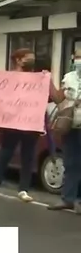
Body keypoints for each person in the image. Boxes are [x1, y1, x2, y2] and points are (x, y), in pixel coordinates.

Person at [0, 48, 63, 202]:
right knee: (5, 153)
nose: (32, 60)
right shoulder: (7, 79)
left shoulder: (40, 79)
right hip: (11, 123)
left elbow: (56, 98)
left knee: (28, 155)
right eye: (28, 58)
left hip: (31, 123)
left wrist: (50, 82)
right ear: (18, 60)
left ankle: (23, 189)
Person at [48, 49, 81, 212]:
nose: (79, 61)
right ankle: (67, 199)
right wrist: (47, 83)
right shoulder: (69, 77)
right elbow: (58, 98)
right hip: (71, 125)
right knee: (71, 162)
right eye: (78, 57)